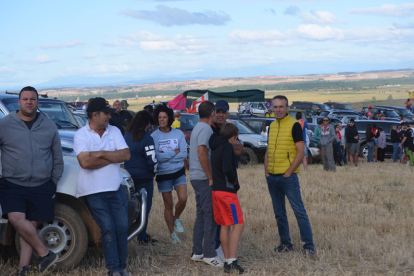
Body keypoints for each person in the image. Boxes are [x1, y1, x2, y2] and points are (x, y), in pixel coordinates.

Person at [0, 86, 63, 275]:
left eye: (33, 99)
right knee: (16, 219)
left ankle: (23, 269)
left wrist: (54, 180)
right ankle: (45, 254)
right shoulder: (5, 124)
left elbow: (57, 156)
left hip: (42, 184)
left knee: (30, 227)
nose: (29, 102)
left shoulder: (48, 125)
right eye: (25, 99)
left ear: (38, 102)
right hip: (13, 183)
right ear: (19, 102)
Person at [74, 97, 131, 276]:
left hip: (115, 188)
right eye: (106, 113)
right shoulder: (81, 134)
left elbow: (126, 155)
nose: (109, 116)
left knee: (122, 228)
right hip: (94, 191)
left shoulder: (114, 130)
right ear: (94, 115)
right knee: (108, 228)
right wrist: (112, 157)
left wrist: (100, 154)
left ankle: (122, 267)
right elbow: (85, 162)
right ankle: (113, 269)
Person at [265, 95, 315, 255]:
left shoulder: (294, 125)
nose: (278, 110)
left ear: (287, 108)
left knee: (299, 211)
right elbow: (268, 151)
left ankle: (308, 246)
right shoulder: (271, 126)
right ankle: (285, 243)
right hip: (272, 177)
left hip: (288, 178)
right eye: (275, 107)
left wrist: (288, 173)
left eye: (281, 107)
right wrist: (266, 171)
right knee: (279, 213)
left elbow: (300, 153)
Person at [189, 101, 223, 267]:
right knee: (211, 216)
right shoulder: (206, 129)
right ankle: (209, 254)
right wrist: (210, 177)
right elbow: (202, 153)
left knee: (201, 215)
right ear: (212, 114)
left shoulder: (197, 127)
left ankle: (197, 251)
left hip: (196, 177)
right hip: (203, 177)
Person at [210, 100, 244, 262]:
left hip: (216, 190)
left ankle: (226, 259)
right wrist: (235, 184)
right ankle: (232, 261)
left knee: (224, 224)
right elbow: (228, 168)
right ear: (234, 137)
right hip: (227, 192)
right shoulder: (227, 147)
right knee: (238, 224)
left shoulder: (215, 146)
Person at [151, 104, 188, 243]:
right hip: (163, 174)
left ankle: (176, 217)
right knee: (168, 205)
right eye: (159, 117)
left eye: (164, 117)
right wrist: (175, 152)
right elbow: (157, 158)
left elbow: (184, 153)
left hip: (178, 171)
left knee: (183, 199)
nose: (162, 119)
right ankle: (172, 233)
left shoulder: (178, 133)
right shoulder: (154, 136)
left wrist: (165, 154)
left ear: (169, 118)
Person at [123, 110, 158, 246]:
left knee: (130, 208)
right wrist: (154, 172)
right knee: (144, 209)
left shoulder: (126, 135)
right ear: (146, 124)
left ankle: (127, 233)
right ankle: (141, 237)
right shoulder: (147, 139)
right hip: (145, 179)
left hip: (129, 178)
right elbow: (152, 160)